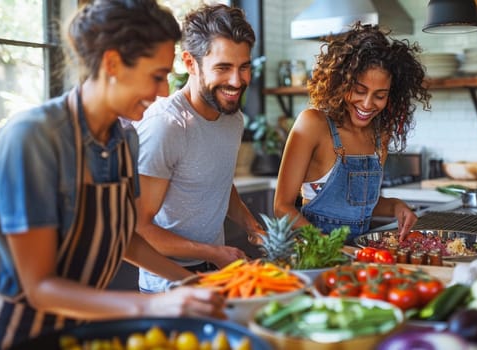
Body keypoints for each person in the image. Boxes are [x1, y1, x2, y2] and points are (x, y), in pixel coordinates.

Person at [0, 1, 225, 348]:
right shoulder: (33, 139)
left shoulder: (123, 138)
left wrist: (191, 283)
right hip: (20, 333)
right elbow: (39, 288)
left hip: (86, 330)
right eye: (157, 76)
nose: (163, 91)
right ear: (113, 63)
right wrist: (156, 305)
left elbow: (123, 238)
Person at [134, 4, 265, 294]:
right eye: (223, 68)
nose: (236, 81)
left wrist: (251, 226)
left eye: (243, 67)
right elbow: (139, 228)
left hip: (213, 274)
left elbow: (218, 181)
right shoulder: (166, 126)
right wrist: (214, 252)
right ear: (190, 63)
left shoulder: (233, 119)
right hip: (166, 284)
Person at [274, 23, 432, 243]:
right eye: (359, 91)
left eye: (380, 95)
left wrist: (396, 205)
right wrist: (324, 245)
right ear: (340, 84)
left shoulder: (380, 136)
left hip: (357, 257)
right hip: (315, 255)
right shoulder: (314, 124)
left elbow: (361, 204)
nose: (367, 104)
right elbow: (282, 206)